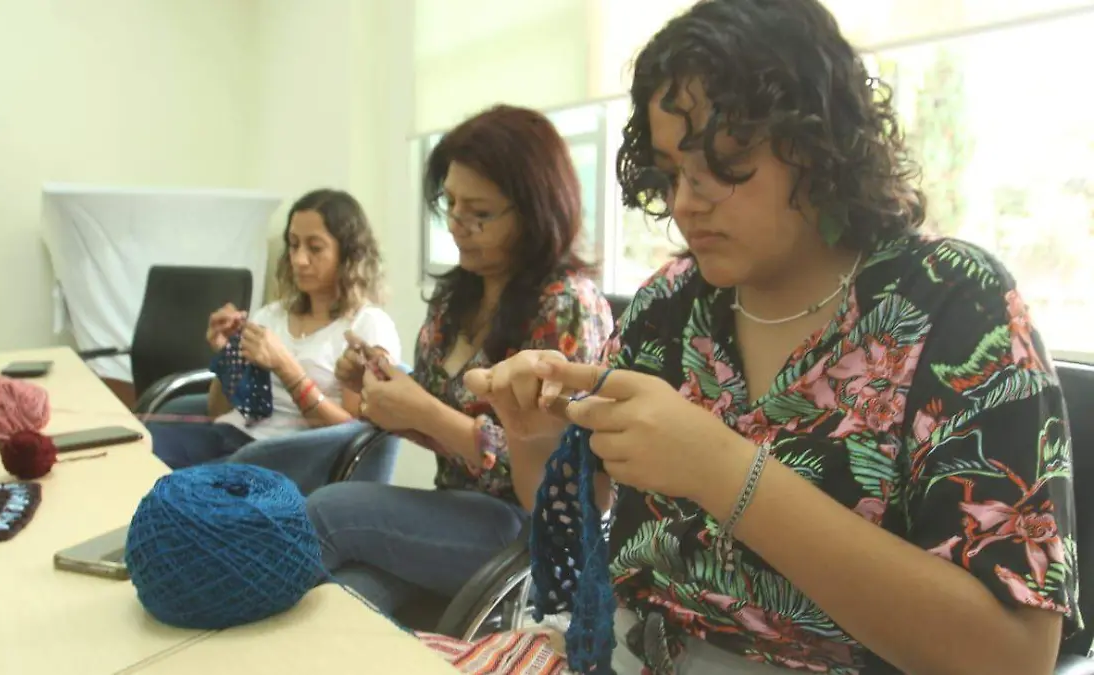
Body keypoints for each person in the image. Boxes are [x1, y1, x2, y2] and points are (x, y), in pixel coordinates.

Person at [440, 1, 1082, 674]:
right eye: (671, 172)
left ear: (820, 143)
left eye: (724, 163)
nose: (686, 202)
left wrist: (724, 470)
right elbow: (589, 511)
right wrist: (535, 438)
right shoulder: (670, 303)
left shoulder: (955, 304)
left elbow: (1013, 655)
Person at [305, 105, 615, 615]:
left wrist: (424, 411)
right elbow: (434, 418)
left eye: (480, 213)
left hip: (527, 535)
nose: (457, 226)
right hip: (455, 512)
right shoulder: (457, 298)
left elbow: (560, 474)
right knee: (344, 599)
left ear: (536, 210)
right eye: (450, 205)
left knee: (326, 513)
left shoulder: (567, 307)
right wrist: (381, 387)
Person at [146, 189, 402, 493]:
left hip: (288, 460)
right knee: (137, 448)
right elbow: (217, 410)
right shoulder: (272, 315)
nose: (300, 260)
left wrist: (286, 368)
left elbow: (353, 432)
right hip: (231, 436)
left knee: (172, 490)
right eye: (293, 245)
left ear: (348, 254)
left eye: (315, 248)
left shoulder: (366, 326)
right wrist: (228, 356)